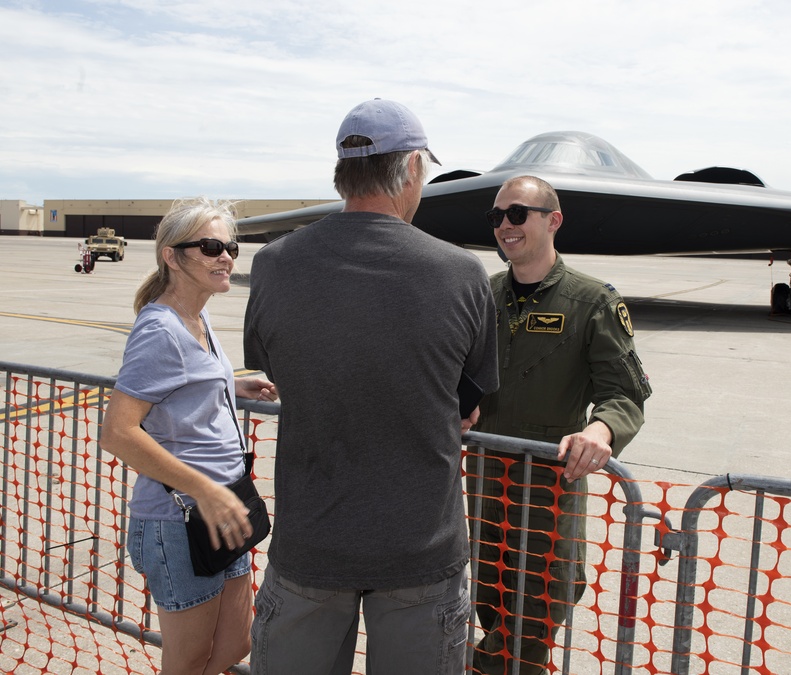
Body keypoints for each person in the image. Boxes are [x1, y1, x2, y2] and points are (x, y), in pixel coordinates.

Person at [243, 99, 499, 674]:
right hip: (420, 554)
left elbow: (277, 371)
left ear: (342, 172)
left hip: (311, 546)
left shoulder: (276, 264)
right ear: (411, 168)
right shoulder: (460, 272)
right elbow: (468, 404)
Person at [467, 175, 653, 675]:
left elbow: (625, 392)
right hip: (483, 479)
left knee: (542, 598)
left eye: (517, 214)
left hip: (549, 482)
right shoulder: (482, 295)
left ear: (553, 220)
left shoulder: (591, 301)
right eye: (496, 216)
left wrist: (602, 431)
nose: (505, 226)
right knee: (489, 590)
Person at [99, 197, 278, 675]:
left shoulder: (197, 318)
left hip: (222, 507)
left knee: (236, 642)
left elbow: (179, 385)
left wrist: (229, 383)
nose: (226, 257)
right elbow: (117, 433)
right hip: (179, 520)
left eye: (230, 247)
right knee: (189, 660)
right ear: (172, 256)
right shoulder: (160, 329)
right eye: (211, 246)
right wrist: (203, 490)